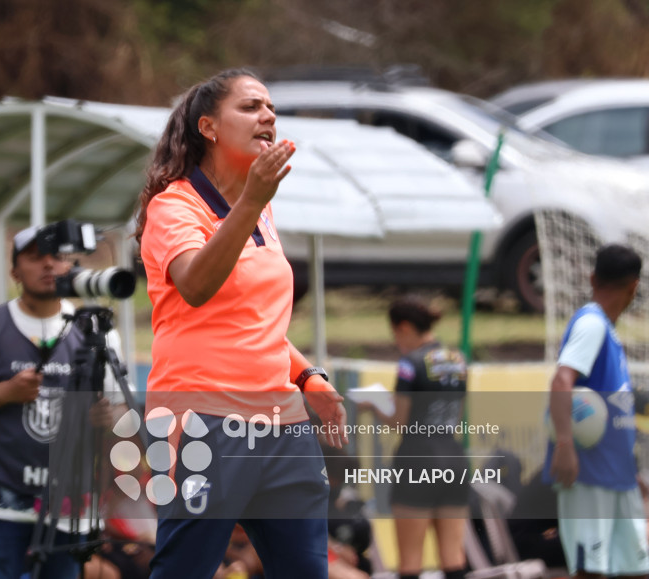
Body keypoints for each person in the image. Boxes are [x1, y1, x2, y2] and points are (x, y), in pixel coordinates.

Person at [135, 67, 348, 579]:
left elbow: (255, 322)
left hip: (282, 425)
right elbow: (197, 286)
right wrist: (251, 201)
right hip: (203, 423)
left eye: (270, 107)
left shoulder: (263, 210)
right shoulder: (174, 206)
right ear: (208, 127)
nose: (268, 116)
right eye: (251, 107)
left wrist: (306, 375)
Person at [0, 224, 125, 579]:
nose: (47, 266)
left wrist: (108, 417)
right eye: (35, 257)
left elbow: (119, 411)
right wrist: (5, 392)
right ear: (15, 271)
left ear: (70, 266)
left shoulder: (96, 331)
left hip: (70, 503)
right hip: (1, 501)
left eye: (56, 257)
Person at [544, 243, 648, 579]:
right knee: (590, 571)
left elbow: (607, 410)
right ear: (635, 286)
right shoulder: (591, 324)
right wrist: (564, 445)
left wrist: (626, 469)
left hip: (614, 476)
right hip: (586, 474)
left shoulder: (606, 329)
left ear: (592, 277)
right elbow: (562, 380)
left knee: (635, 568)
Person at [358, 297, 468, 579]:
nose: (397, 342)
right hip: (454, 459)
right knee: (453, 557)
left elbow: (400, 421)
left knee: (410, 560)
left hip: (418, 461)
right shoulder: (458, 359)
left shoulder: (410, 364)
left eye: (395, 335)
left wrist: (374, 404)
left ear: (404, 327)